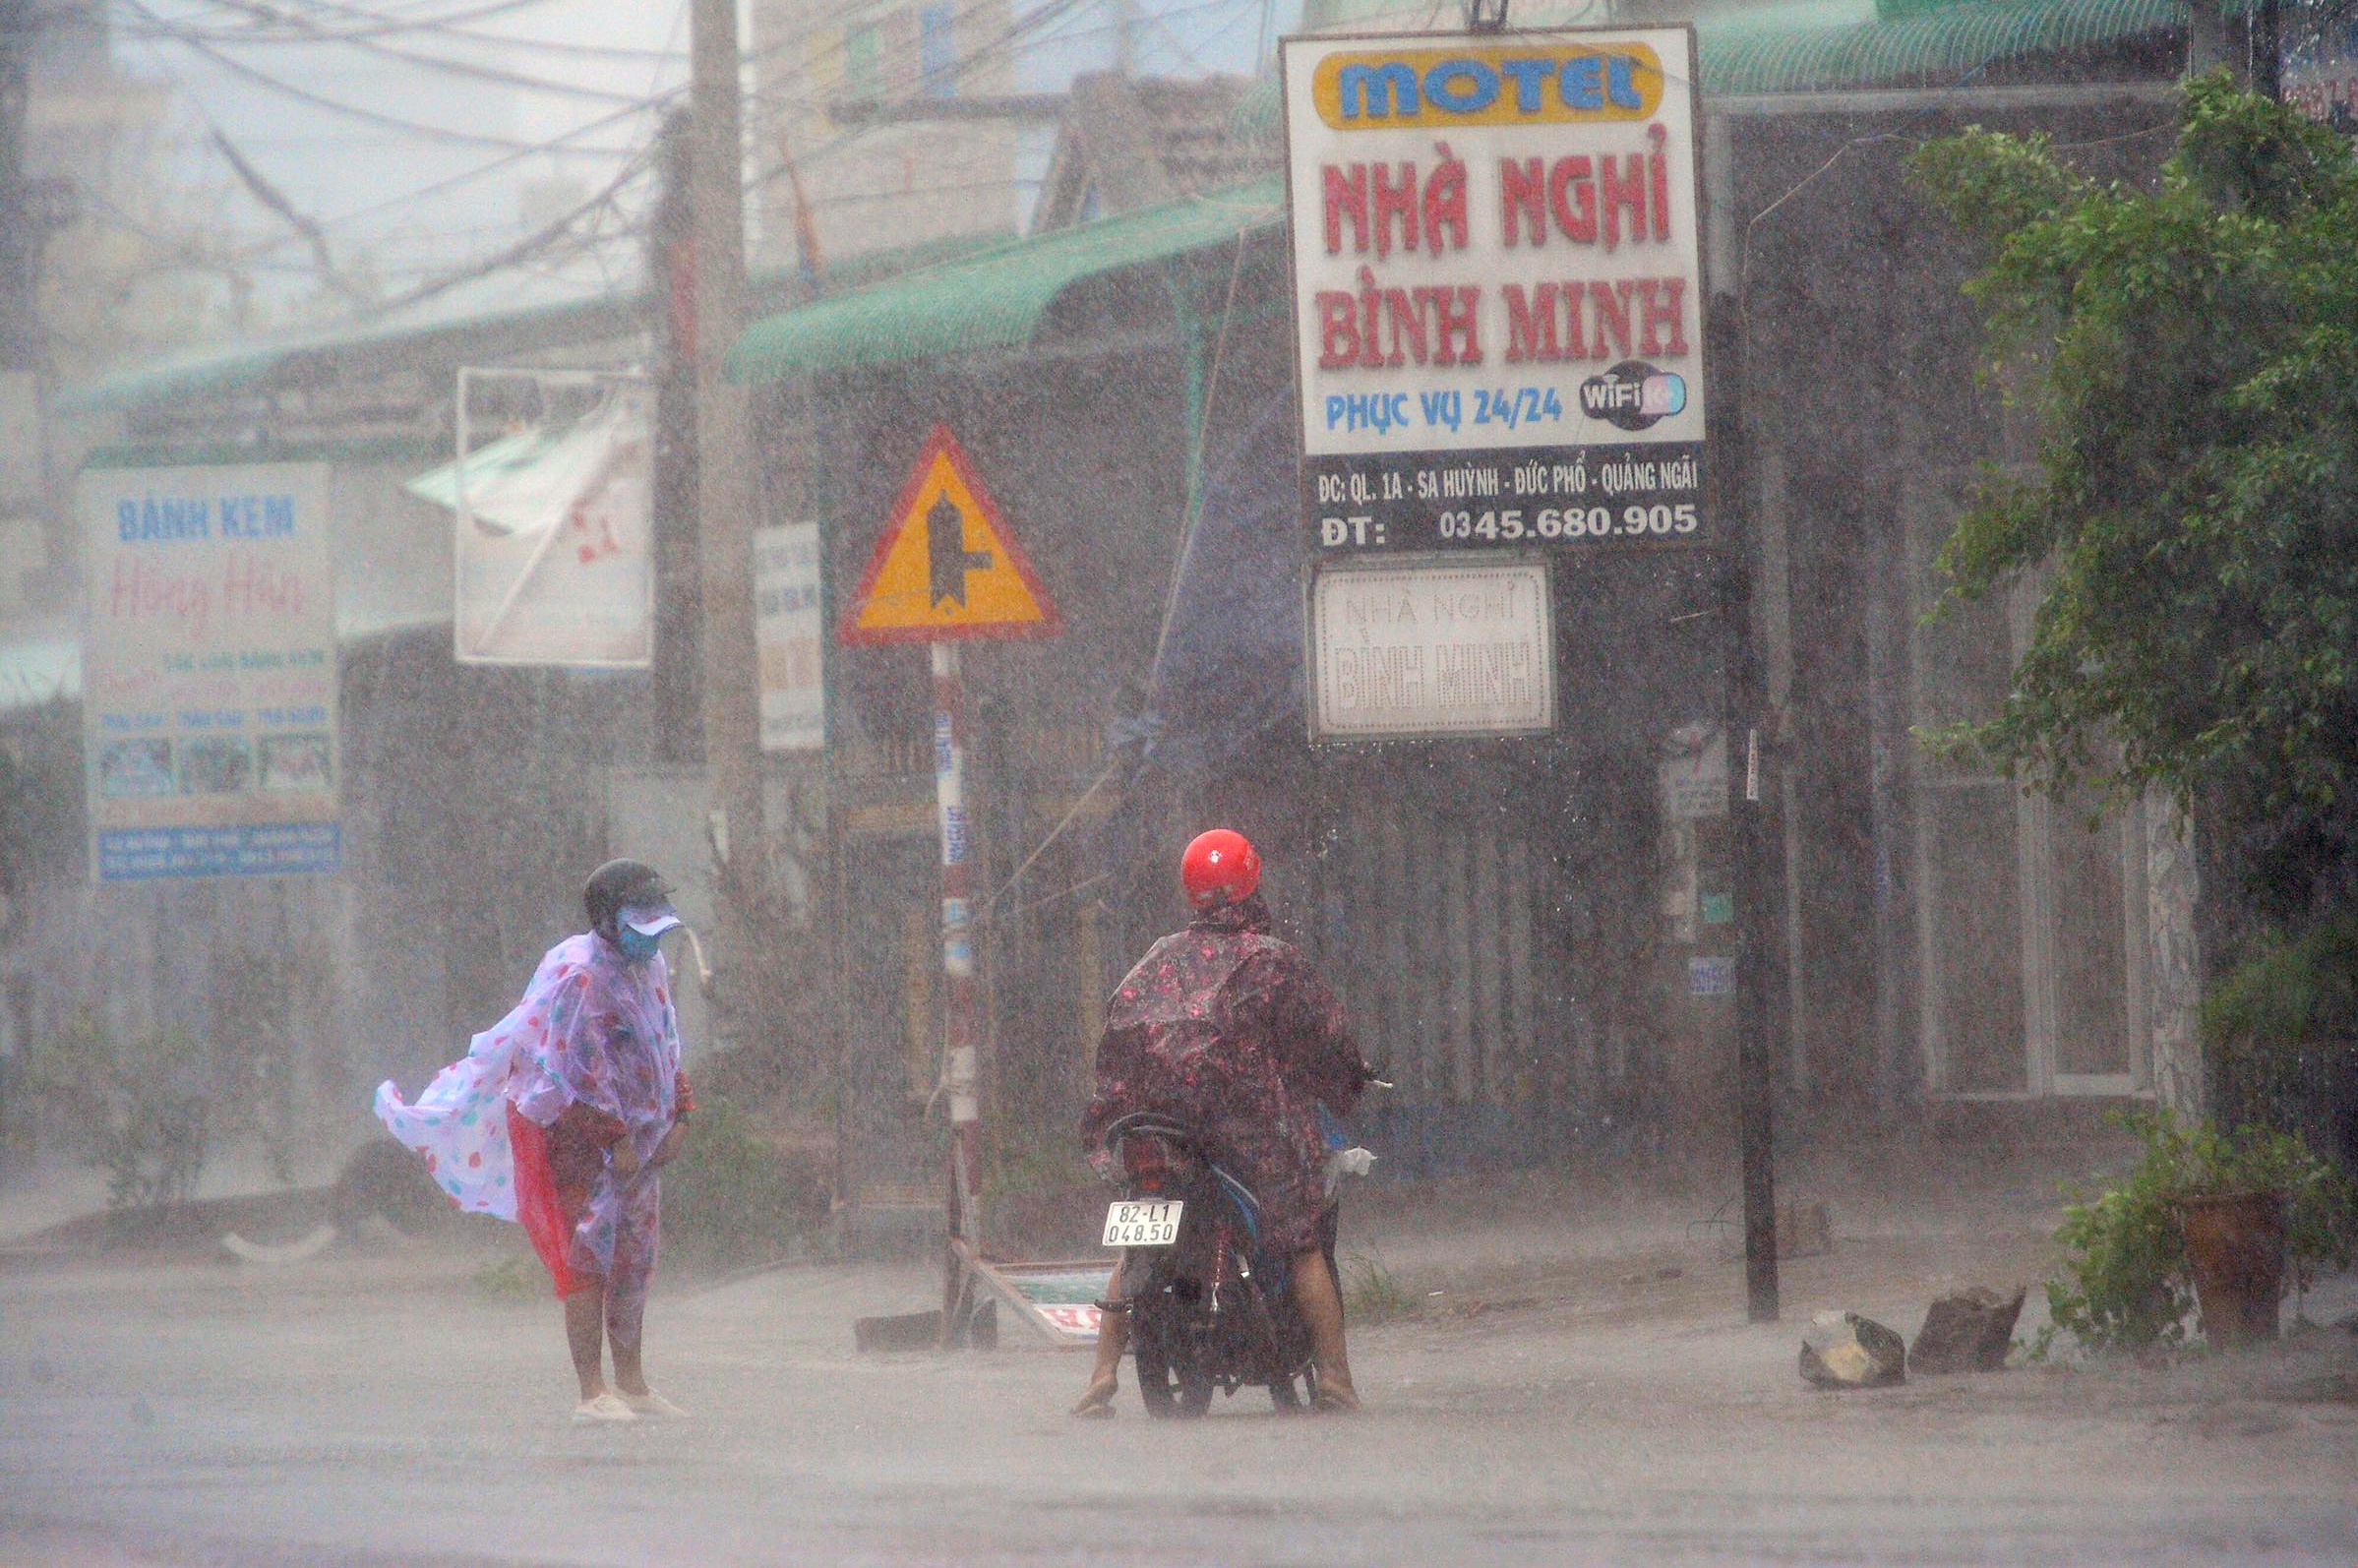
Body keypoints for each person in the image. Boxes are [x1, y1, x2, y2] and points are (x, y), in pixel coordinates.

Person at [375, 859, 695, 1425]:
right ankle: (592, 1390)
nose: (651, 936)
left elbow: (665, 1043)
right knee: (587, 1260)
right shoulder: (581, 978)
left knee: (634, 1260)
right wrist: (612, 1135)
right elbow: (567, 1070)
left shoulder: (651, 969)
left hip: (642, 1142)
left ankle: (634, 1381)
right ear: (606, 920)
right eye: (637, 921)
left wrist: (681, 1112)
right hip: (580, 1145)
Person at [1072, 828, 1372, 1417]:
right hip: (1247, 1133)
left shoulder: (1155, 959)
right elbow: (1328, 1039)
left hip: (1155, 1129)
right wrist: (1348, 1081)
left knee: (1138, 1244)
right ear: (1253, 881)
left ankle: (1101, 1372)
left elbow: (1114, 1040)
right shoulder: (1272, 961)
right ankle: (1335, 1378)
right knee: (1301, 1240)